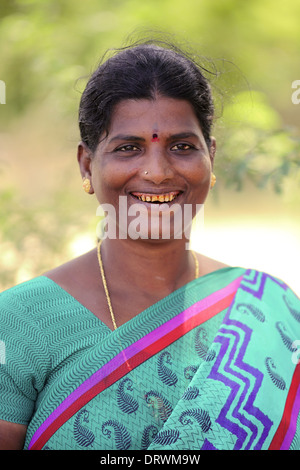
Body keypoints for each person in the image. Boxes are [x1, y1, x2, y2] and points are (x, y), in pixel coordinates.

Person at [0, 39, 300, 451]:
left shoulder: (271, 309)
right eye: (129, 148)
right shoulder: (17, 324)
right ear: (87, 165)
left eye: (182, 146)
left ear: (210, 157)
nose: (157, 172)